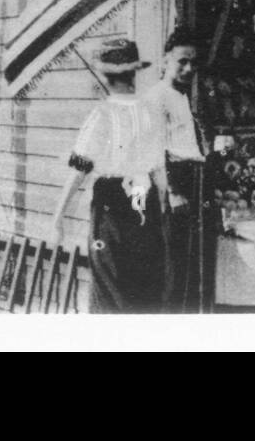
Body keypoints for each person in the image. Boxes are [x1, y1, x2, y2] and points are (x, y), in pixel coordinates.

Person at [51, 38, 168, 313]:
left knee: (110, 283)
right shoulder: (152, 112)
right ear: (133, 74)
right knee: (145, 285)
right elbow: (159, 170)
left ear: (105, 77)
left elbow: (79, 170)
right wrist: (163, 209)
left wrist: (57, 218)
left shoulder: (102, 114)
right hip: (145, 204)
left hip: (111, 207)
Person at [144, 28, 213, 313]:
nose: (188, 68)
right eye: (182, 61)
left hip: (193, 181)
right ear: (164, 61)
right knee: (174, 270)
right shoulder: (156, 97)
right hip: (174, 185)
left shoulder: (181, 96)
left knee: (190, 270)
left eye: (194, 63)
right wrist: (172, 192)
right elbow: (153, 150)